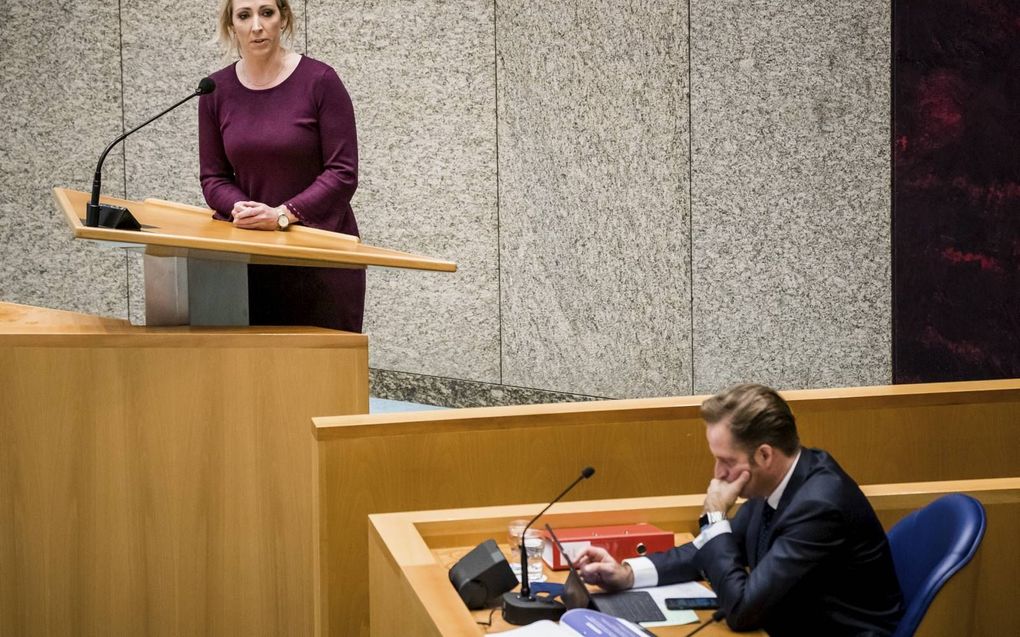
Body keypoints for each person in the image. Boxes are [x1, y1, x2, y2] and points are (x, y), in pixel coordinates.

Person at [574, 384, 904, 635]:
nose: (718, 474)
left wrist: (715, 517)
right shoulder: (777, 481)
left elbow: (743, 612)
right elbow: (716, 546)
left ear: (764, 455)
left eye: (726, 461)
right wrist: (628, 574)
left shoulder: (819, 506)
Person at [199, 0, 364, 332]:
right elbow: (213, 176)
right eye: (244, 16)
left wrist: (282, 215)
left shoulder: (320, 81)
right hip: (250, 259)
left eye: (267, 12)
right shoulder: (214, 91)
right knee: (259, 375)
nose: (256, 25)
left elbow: (343, 172)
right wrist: (241, 209)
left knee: (322, 375)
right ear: (232, 26)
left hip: (320, 256)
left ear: (283, 17)